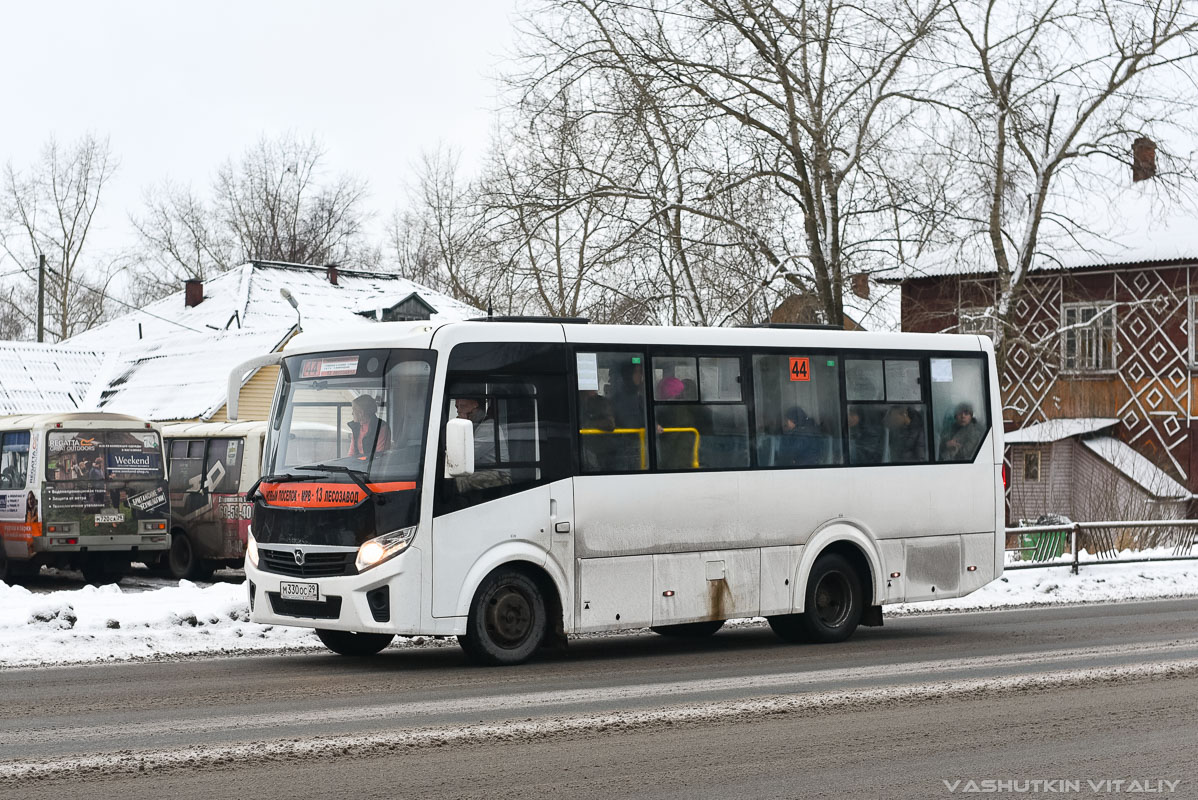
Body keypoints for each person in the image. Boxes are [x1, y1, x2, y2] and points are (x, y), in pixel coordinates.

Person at [610, 361, 646, 429]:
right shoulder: (618, 399)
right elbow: (630, 422)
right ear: (628, 375)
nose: (639, 375)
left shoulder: (640, 397)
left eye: (641, 372)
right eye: (635, 372)